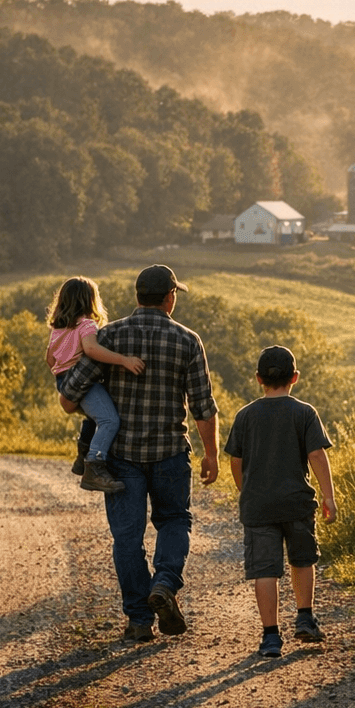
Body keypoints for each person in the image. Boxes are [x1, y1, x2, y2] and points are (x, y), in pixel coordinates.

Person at [60, 264, 219, 644]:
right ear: (169, 297)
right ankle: (163, 584)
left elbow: (69, 399)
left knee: (127, 538)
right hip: (169, 453)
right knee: (174, 520)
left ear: (136, 297)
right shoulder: (187, 340)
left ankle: (138, 620)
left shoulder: (107, 336)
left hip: (122, 457)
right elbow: (203, 406)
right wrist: (211, 454)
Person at [224, 345, 337, 658]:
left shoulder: (245, 415)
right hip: (296, 503)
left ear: (258, 378)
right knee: (302, 559)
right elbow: (316, 454)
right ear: (295, 377)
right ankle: (304, 617)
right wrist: (329, 495)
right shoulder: (304, 412)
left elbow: (236, 459)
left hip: (258, 506)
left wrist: (244, 489)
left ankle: (271, 637)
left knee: (265, 570)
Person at [45, 276, 146, 494]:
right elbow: (91, 350)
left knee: (95, 416)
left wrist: (63, 372)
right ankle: (95, 466)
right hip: (83, 382)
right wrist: (123, 360)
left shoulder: (58, 329)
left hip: (63, 381)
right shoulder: (87, 324)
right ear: (91, 301)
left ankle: (82, 455)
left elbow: (50, 359)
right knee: (109, 420)